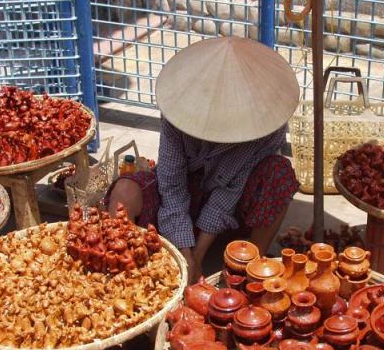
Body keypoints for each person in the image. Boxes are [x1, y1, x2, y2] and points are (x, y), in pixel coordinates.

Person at [105, 37, 301, 281]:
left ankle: (250, 270)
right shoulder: (176, 116)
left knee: (279, 174)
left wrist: (197, 257)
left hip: (235, 206)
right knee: (124, 191)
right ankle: (122, 273)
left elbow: (227, 196)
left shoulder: (267, 129)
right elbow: (172, 186)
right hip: (187, 192)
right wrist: (184, 253)